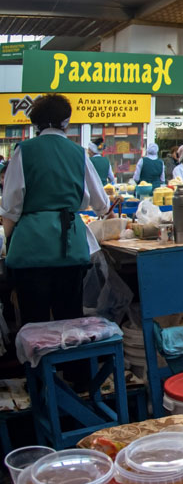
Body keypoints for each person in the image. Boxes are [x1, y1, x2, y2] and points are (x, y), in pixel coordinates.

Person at [0, 94, 114, 323]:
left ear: (36, 122)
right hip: (70, 247)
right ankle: (72, 359)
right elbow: (102, 204)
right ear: (66, 121)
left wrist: (9, 240)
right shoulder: (78, 153)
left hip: (31, 249)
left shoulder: (24, 150)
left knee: (35, 321)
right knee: (70, 317)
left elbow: (11, 207)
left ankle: (37, 359)